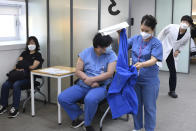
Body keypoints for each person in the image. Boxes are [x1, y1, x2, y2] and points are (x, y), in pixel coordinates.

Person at [58, 33, 117, 131]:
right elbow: (78, 70)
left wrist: (92, 80)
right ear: (98, 47)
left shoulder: (111, 55)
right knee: (62, 98)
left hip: (101, 86)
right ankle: (80, 116)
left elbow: (109, 74)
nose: (109, 47)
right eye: (107, 46)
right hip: (83, 84)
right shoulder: (86, 52)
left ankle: (87, 123)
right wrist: (87, 80)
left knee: (90, 99)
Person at [118, 15, 163, 131]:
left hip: (150, 80)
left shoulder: (156, 43)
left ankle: (149, 129)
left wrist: (142, 64)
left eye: (146, 31)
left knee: (149, 107)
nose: (143, 32)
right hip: (135, 79)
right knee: (136, 105)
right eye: (142, 30)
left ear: (152, 30)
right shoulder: (136, 39)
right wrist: (120, 34)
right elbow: (122, 47)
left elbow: (154, 60)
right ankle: (137, 127)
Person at [0, 36, 43, 118]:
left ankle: (15, 108)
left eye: (33, 42)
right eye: (29, 43)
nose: (31, 44)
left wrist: (22, 65)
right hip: (18, 75)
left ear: (36, 44)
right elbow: (17, 65)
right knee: (5, 84)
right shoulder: (24, 53)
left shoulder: (38, 55)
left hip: (29, 78)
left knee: (16, 84)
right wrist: (20, 67)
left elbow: (33, 67)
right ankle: (3, 105)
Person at [158, 15, 193, 98]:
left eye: (187, 22)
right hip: (163, 49)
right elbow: (161, 34)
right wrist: (157, 44)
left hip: (173, 53)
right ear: (181, 22)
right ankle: (149, 86)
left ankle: (172, 91)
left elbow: (184, 44)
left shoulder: (188, 35)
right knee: (154, 67)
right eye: (183, 21)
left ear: (189, 25)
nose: (184, 23)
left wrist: (178, 50)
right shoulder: (171, 27)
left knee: (173, 72)